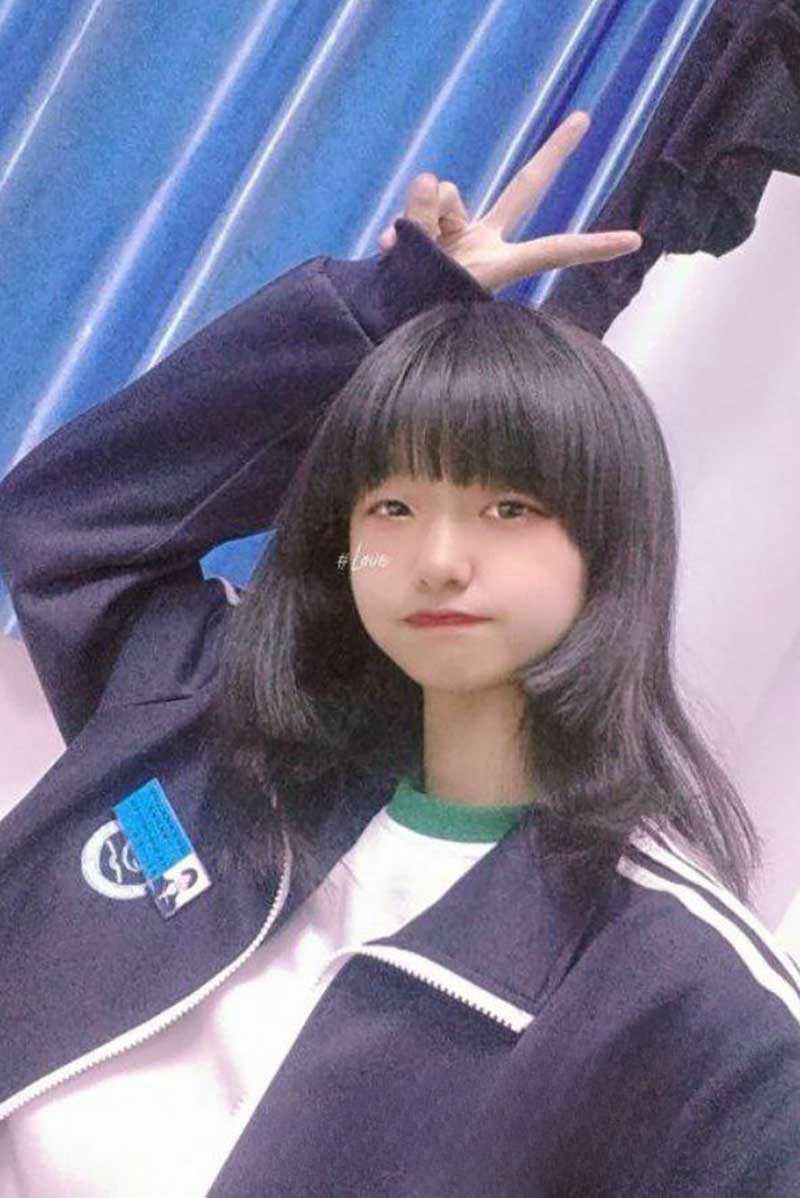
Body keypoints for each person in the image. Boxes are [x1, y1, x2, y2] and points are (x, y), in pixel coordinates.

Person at [0, 110, 796, 1197]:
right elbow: (70, 522)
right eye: (394, 504)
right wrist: (391, 312)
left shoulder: (687, 998)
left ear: (611, 554)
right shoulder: (203, 719)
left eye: (509, 508)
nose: (439, 558)